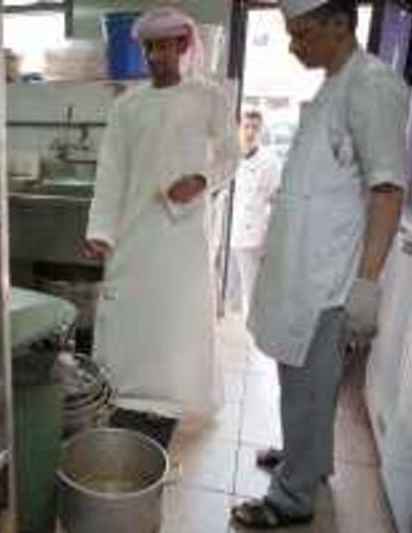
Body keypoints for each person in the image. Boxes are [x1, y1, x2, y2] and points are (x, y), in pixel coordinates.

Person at [231, 0, 409, 528]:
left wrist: (366, 285)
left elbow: (387, 190)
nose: (293, 45)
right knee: (302, 379)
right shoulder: (337, 81)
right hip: (305, 268)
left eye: (301, 33)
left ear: (338, 24)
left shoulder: (371, 85)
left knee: (311, 382)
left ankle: (292, 499)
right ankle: (307, 460)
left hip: (330, 277)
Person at [83, 5, 239, 445]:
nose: (155, 56)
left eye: (164, 46)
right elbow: (110, 172)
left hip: (184, 233)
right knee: (131, 312)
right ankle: (127, 391)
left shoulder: (209, 97)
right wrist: (101, 230)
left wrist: (201, 180)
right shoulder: (128, 106)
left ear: (183, 45)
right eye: (148, 46)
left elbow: (230, 155)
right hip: (135, 228)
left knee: (177, 316)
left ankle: (175, 394)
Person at [230, 110, 281, 318]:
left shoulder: (269, 162)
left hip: (252, 235)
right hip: (227, 233)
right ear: (238, 128)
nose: (250, 132)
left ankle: (250, 334)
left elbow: (275, 199)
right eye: (246, 126)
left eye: (255, 128)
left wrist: (270, 234)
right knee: (228, 291)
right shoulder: (230, 157)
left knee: (250, 290)